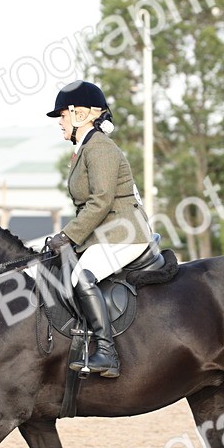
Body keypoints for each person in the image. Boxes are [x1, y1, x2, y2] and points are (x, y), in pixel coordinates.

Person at [43, 80, 154, 378]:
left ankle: (107, 353)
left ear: (81, 115)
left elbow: (102, 201)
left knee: (82, 276)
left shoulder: (100, 148)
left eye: (62, 116)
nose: (60, 123)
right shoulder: (85, 149)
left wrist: (68, 236)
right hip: (106, 232)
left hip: (125, 232)